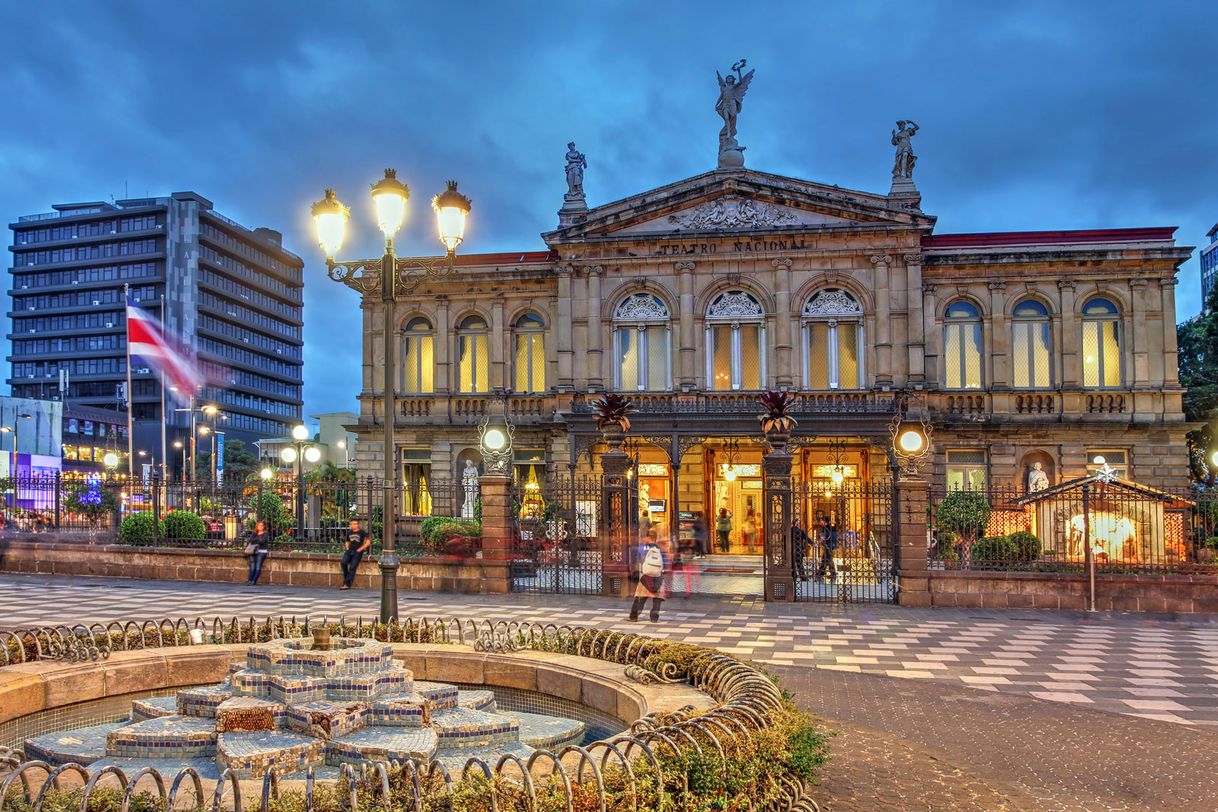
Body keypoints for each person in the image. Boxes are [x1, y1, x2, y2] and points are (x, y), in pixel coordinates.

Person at [628, 532, 669, 622]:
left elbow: (635, 560)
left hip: (645, 576)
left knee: (640, 597)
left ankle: (634, 616)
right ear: (655, 538)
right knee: (657, 598)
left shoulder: (641, 548)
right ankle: (654, 618)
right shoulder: (660, 549)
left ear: (647, 537)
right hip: (658, 576)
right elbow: (666, 564)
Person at [340, 519, 371, 590]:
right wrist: (347, 548)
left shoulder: (362, 532)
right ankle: (347, 581)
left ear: (357, 525)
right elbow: (347, 541)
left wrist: (360, 549)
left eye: (354, 524)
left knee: (353, 567)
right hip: (350, 550)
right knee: (343, 563)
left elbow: (368, 542)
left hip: (358, 551)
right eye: (351, 524)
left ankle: (346, 584)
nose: (353, 525)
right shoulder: (349, 532)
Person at [245, 521, 271, 586]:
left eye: (262, 525)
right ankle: (250, 580)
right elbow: (250, 540)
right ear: (257, 526)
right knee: (252, 567)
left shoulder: (266, 533)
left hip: (262, 551)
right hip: (252, 551)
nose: (260, 526)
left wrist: (255, 540)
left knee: (258, 567)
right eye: (259, 525)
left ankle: (254, 580)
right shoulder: (254, 533)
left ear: (264, 526)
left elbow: (262, 541)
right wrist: (257, 540)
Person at [815, 516, 838, 582]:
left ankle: (820, 574)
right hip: (830, 546)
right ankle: (831, 574)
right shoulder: (830, 527)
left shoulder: (826, 528)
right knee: (828, 560)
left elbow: (823, 537)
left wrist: (817, 543)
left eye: (821, 521)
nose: (820, 522)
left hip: (828, 546)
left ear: (824, 521)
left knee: (825, 560)